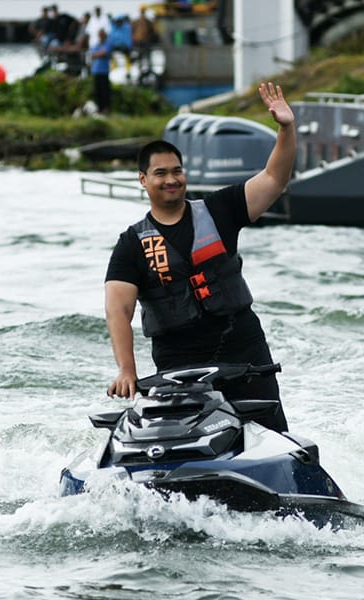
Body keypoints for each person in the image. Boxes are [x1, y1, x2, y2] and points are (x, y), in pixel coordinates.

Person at [104, 82, 296, 432]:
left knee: (268, 434)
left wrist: (285, 128)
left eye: (177, 171)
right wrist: (127, 370)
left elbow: (274, 178)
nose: (171, 179)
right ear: (143, 180)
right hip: (178, 360)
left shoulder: (220, 209)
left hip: (243, 348)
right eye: (160, 173)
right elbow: (118, 309)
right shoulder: (131, 243)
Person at [88, 28, 112, 114]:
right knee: (97, 91)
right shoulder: (97, 45)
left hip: (104, 71)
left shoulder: (108, 44)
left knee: (105, 91)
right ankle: (99, 108)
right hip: (96, 71)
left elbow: (104, 53)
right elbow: (92, 54)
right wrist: (98, 54)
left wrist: (97, 54)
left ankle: (106, 109)